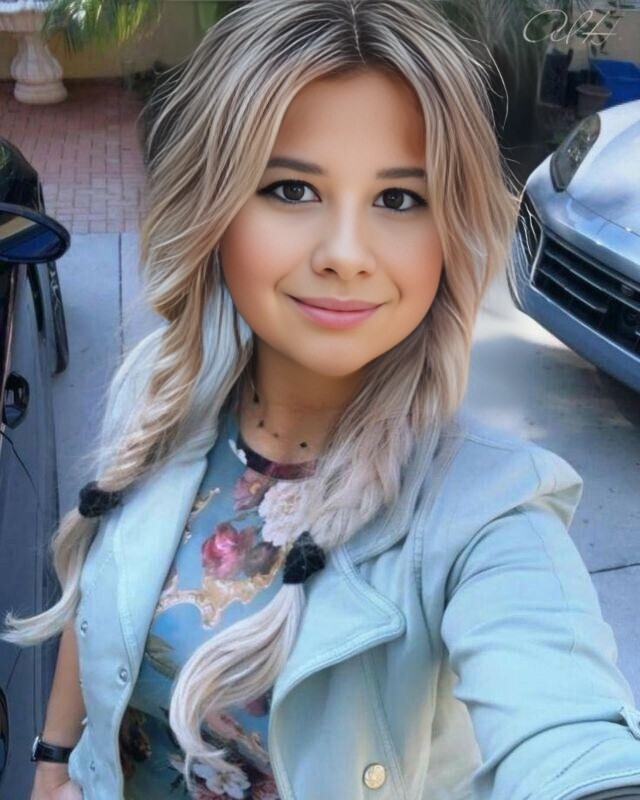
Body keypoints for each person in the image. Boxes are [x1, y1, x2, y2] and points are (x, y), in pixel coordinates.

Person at [4, 1, 640, 798]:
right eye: (292, 188)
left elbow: (570, 734)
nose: (345, 254)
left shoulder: (489, 515)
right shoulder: (158, 386)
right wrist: (53, 760)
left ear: (449, 235)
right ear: (213, 210)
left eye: (399, 200)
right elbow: (101, 593)